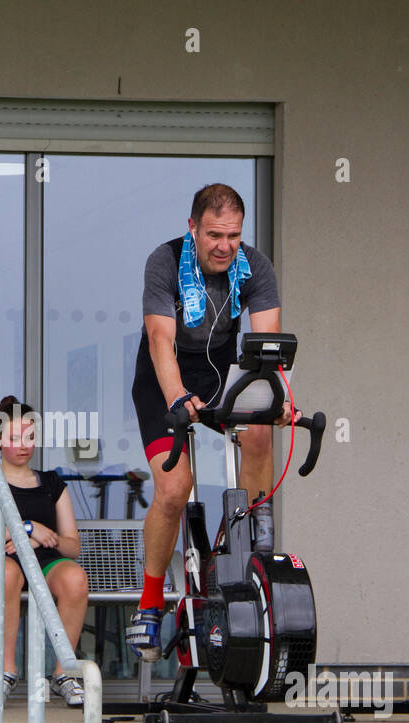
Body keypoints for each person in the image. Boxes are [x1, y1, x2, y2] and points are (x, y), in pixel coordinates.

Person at [125, 183, 294, 661]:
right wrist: (177, 396)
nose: (224, 246)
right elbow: (160, 338)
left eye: (234, 236)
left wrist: (278, 397)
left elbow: (269, 346)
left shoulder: (254, 267)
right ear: (193, 228)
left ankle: (245, 541)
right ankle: (152, 602)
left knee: (259, 429)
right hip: (163, 375)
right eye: (215, 234)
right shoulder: (164, 261)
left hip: (221, 371)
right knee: (175, 488)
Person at [0, 396, 88, 707]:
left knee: (75, 578)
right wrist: (26, 529)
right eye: (16, 437)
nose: (24, 445)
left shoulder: (52, 483)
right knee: (8, 573)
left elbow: (73, 545)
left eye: (30, 437)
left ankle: (65, 673)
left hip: (44, 562)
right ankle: (5, 672)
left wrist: (47, 539)